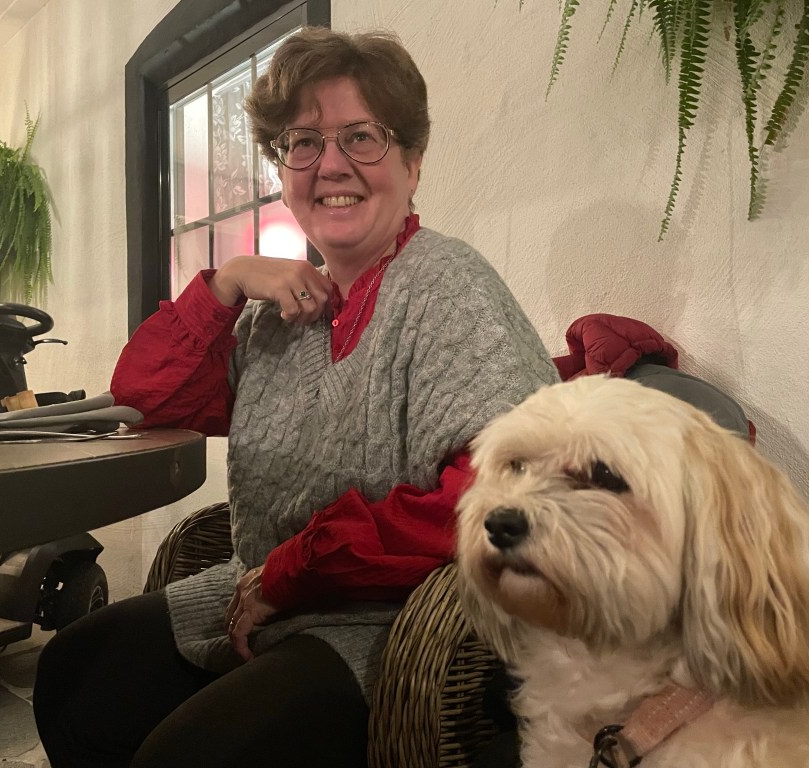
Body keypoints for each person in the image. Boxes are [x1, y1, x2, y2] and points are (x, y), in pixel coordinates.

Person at [32, 26, 557, 768]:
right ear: (282, 169)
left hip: (391, 623)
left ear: (412, 163)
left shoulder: (449, 287)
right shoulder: (272, 315)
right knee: (73, 677)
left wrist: (294, 572)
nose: (330, 164)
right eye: (303, 143)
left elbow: (506, 497)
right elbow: (146, 399)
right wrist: (225, 282)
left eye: (362, 137)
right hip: (257, 592)